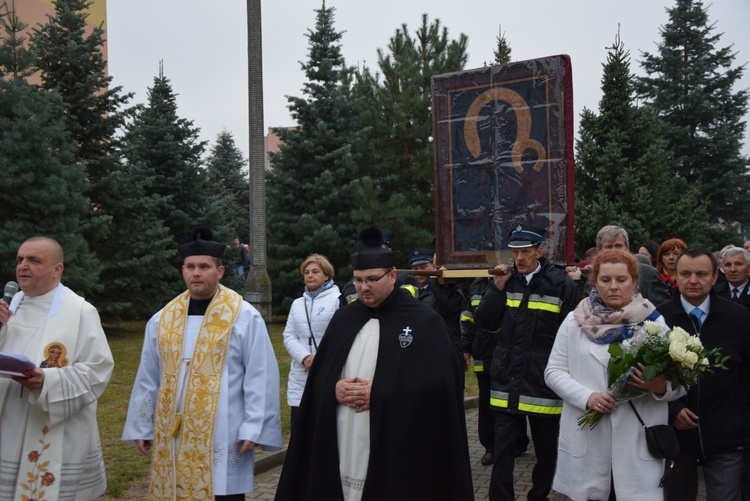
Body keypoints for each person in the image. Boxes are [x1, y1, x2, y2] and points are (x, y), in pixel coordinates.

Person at [275, 228, 473, 500]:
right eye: (357, 280)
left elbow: (440, 386)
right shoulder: (344, 319)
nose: (363, 287)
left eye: (371, 279)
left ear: (392, 276)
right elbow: (321, 377)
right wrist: (333, 389)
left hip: (397, 443)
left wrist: (382, 392)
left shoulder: (424, 322)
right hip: (344, 433)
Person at [122, 227, 282, 500]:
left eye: (204, 266)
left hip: (224, 431)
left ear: (218, 272)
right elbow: (149, 376)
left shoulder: (243, 316)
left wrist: (255, 426)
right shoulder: (162, 319)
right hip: (173, 432)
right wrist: (143, 424)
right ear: (182, 270)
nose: (196, 273)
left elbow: (260, 375)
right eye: (191, 266)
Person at [544, 250, 685, 500]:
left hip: (636, 443)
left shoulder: (654, 323)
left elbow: (682, 382)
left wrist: (660, 385)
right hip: (588, 440)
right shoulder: (574, 321)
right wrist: (586, 397)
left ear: (634, 281)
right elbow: (553, 371)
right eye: (605, 280)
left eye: (621, 279)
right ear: (594, 281)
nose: (613, 287)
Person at [0, 236, 114, 500]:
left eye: (34, 260)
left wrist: (46, 382)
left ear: (57, 269)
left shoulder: (80, 311)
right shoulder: (10, 305)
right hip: (8, 424)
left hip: (52, 425)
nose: (23, 266)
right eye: (20, 260)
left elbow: (98, 372)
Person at [474, 224, 581, 501]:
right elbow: (484, 322)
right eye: (515, 252)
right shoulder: (504, 282)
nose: (519, 258)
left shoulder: (561, 286)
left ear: (539, 251)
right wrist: (495, 290)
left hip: (543, 381)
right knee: (503, 448)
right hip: (507, 378)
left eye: (525, 252)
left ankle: (538, 495)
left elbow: (571, 335)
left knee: (546, 450)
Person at [657, 247, 750, 501]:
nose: (693, 280)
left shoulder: (739, 319)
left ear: (714, 277)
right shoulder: (658, 320)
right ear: (675, 275)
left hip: (726, 437)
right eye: (685, 273)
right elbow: (648, 377)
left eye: (701, 273)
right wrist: (673, 409)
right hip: (676, 439)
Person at [282, 254, 340, 429]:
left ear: (327, 275)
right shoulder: (297, 304)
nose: (309, 275)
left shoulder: (338, 300)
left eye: (315, 271)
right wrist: (305, 357)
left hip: (327, 370)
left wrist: (320, 360)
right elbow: (289, 335)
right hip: (301, 373)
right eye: (306, 272)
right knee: (299, 427)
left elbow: (339, 337)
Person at [407, 247, 465, 357]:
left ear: (434, 266)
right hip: (418, 348)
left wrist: (433, 278)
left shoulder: (447, 287)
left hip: (446, 348)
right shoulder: (409, 290)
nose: (419, 272)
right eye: (416, 268)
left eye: (423, 267)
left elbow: (451, 306)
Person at [595, 226, 671, 305]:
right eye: (609, 247)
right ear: (599, 250)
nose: (614, 251)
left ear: (627, 247)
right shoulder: (595, 275)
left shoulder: (648, 273)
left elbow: (664, 308)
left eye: (618, 246)